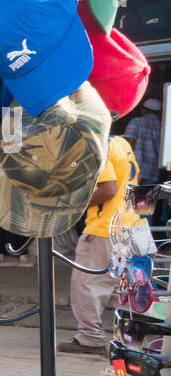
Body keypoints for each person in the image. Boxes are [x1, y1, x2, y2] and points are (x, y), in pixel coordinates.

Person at [58, 136, 140, 355]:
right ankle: (131, 338)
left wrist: (73, 205)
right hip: (130, 224)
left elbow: (108, 189)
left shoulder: (97, 146)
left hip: (104, 228)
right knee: (121, 288)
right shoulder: (122, 144)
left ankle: (90, 338)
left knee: (86, 284)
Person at [124, 98, 162, 186]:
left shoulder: (136, 122)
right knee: (145, 198)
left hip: (135, 169)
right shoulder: (162, 126)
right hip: (153, 172)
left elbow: (129, 144)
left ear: (144, 110)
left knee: (130, 198)